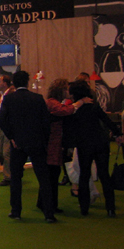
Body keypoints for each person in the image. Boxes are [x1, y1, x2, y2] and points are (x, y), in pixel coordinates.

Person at [0, 70, 57, 222]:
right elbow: (46, 122)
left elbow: (2, 120)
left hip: (17, 143)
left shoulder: (9, 99)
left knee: (16, 178)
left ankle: (16, 211)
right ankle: (49, 213)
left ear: (14, 83)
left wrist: (11, 137)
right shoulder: (37, 98)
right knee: (43, 178)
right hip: (36, 142)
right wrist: (43, 140)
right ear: (27, 82)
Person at [66, 80, 123, 217]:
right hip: (100, 142)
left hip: (84, 143)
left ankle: (84, 208)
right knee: (104, 175)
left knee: (84, 176)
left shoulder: (75, 108)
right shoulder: (94, 105)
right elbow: (106, 120)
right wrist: (117, 133)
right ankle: (110, 208)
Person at [40, 79, 84, 215]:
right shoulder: (53, 103)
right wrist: (79, 103)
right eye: (66, 89)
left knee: (51, 175)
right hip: (52, 144)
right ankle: (50, 205)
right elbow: (64, 111)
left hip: (53, 144)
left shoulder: (52, 102)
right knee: (52, 175)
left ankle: (44, 203)